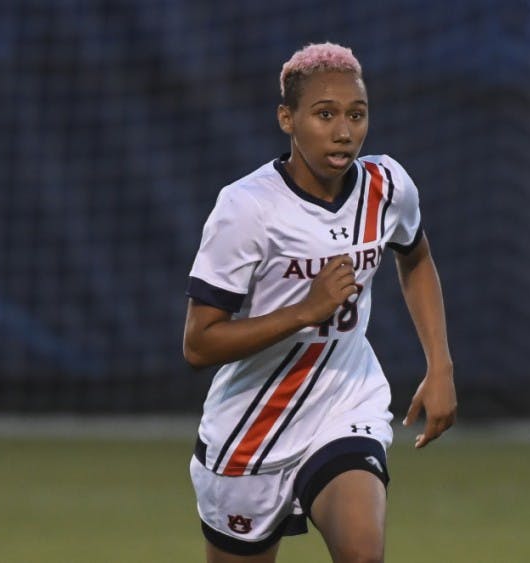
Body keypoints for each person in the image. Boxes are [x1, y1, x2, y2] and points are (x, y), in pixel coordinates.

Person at [183, 42, 457, 563]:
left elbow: (416, 258)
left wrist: (439, 365)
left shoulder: (387, 187)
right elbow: (198, 344)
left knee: (362, 553)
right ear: (287, 118)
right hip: (250, 428)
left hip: (344, 404)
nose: (344, 130)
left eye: (357, 114)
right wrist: (306, 311)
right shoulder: (247, 208)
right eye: (324, 114)